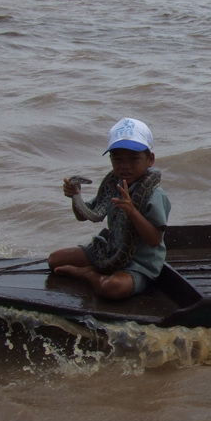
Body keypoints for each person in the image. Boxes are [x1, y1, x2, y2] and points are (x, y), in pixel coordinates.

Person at [48, 117, 171, 300]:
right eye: (117, 159)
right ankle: (101, 268)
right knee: (54, 259)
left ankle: (89, 274)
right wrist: (75, 196)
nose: (125, 166)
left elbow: (154, 239)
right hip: (110, 249)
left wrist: (132, 211)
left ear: (150, 159)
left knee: (112, 288)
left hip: (139, 262)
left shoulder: (155, 194)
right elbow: (87, 216)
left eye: (133, 159)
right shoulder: (114, 183)